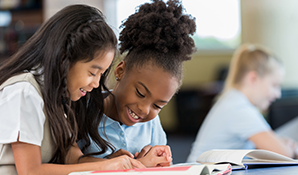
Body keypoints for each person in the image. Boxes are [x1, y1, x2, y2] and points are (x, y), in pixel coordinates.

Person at [0, 4, 146, 175]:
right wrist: (105, 166)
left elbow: (74, 159)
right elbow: (30, 171)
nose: (96, 84)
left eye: (101, 74)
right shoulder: (24, 91)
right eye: (93, 72)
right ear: (64, 57)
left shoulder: (59, 97)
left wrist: (113, 162)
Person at [78, 0, 196, 168]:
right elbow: (69, 162)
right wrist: (122, 164)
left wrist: (161, 164)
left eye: (157, 105)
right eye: (140, 93)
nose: (144, 109)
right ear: (120, 71)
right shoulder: (83, 109)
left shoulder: (152, 124)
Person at [187, 43, 298, 163]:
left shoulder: (233, 100)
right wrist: (291, 147)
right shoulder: (238, 108)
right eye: (274, 85)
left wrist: (281, 143)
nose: (278, 94)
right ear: (253, 78)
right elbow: (284, 154)